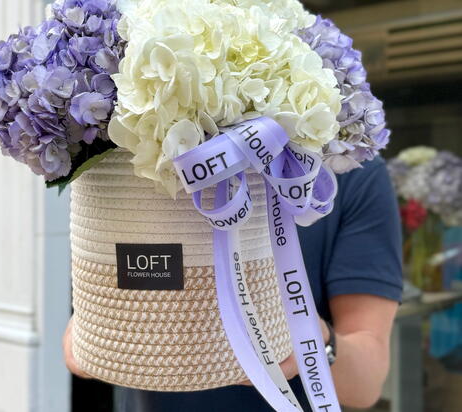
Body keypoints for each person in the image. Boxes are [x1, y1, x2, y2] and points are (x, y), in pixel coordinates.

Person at [64, 156, 403, 411]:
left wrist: (314, 343)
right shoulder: (131, 156)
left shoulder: (347, 169)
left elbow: (367, 379)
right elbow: (79, 345)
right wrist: (96, 334)